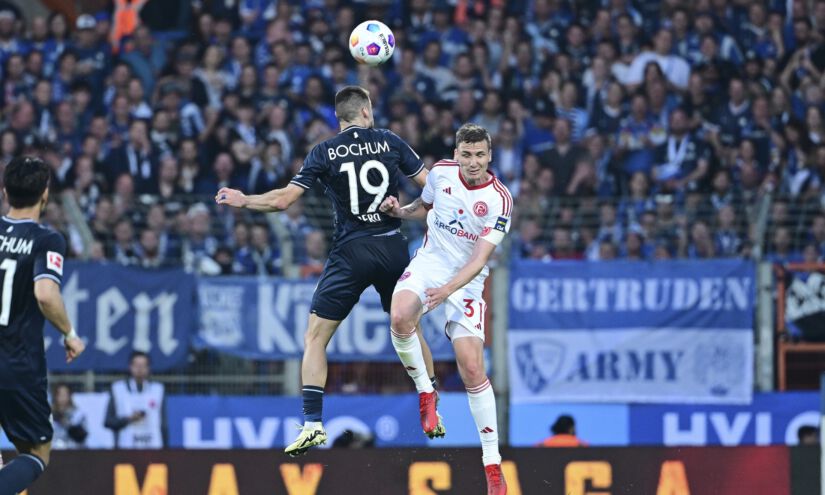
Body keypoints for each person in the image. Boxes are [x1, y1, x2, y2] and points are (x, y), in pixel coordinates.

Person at [215, 85, 435, 457]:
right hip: (391, 246)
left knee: (316, 337)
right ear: (365, 111)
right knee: (410, 328)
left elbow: (283, 201)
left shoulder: (324, 151)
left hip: (351, 251)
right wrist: (406, 210)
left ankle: (313, 424)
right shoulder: (389, 141)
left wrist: (244, 199)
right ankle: (431, 402)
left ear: (338, 117)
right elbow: (432, 189)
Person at [380, 124, 513, 494]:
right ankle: (427, 392)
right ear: (456, 154)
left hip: (466, 279)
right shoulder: (440, 173)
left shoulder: (500, 200)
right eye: (466, 155)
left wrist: (447, 290)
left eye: (480, 155)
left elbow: (479, 259)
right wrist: (399, 211)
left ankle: (492, 465)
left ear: (489, 156)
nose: (473, 162)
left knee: (471, 368)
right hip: (431, 263)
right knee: (400, 315)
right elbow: (424, 208)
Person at [0, 156, 86, 494]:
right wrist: (70, 334)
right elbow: (46, 294)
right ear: (45, 194)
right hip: (17, 365)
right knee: (36, 453)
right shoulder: (46, 240)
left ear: (4, 191)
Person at [104, 351, 167, 449]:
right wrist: (129, 419)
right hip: (126, 448)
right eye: (137, 365)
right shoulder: (118, 389)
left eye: (143, 365)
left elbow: (164, 424)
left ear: (148, 368)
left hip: (153, 448)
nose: (140, 369)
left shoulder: (158, 390)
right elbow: (108, 421)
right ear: (130, 367)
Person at [51, 383, 88, 449]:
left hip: (73, 450)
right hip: (54, 451)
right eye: (60, 395)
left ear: (70, 396)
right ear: (55, 396)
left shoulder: (78, 414)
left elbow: (82, 436)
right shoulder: (48, 415)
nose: (62, 398)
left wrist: (68, 424)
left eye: (65, 395)